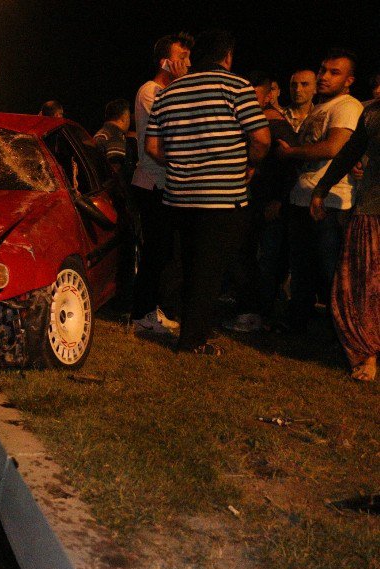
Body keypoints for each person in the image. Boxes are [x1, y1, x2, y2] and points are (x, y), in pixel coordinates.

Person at [146, 30, 270, 355]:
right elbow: (262, 139)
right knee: (210, 267)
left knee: (190, 264)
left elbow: (152, 146)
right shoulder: (236, 86)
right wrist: (249, 165)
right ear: (227, 56)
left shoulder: (169, 92)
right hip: (221, 195)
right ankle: (192, 341)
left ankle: (192, 330)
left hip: (179, 194)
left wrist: (183, 160)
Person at [278, 49, 363, 334]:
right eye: (323, 70)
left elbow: (333, 148)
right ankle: (298, 323)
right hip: (305, 197)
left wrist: (291, 154)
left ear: (349, 80)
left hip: (329, 201)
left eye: (334, 72)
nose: (324, 76)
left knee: (330, 270)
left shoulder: (348, 106)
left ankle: (340, 331)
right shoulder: (323, 106)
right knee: (302, 267)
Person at [224, 72, 301, 333]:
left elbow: (292, 164)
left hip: (269, 204)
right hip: (255, 202)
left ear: (268, 95)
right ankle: (249, 309)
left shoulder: (275, 124)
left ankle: (255, 313)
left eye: (253, 94)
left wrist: (280, 200)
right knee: (247, 254)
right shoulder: (257, 121)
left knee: (259, 260)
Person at [309, 98, 380, 380]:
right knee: (364, 286)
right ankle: (366, 353)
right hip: (372, 210)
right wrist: (322, 188)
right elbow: (350, 151)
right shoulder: (373, 113)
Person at [129, 32, 193, 335]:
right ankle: (141, 313)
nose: (188, 64)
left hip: (165, 184)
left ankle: (151, 310)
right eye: (182, 58)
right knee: (155, 253)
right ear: (165, 61)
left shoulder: (167, 90)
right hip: (152, 183)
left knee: (165, 253)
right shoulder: (150, 91)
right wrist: (182, 85)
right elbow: (171, 126)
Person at [93, 98, 132, 176]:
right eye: (129, 117)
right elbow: (116, 170)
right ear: (124, 117)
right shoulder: (114, 136)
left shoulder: (103, 133)